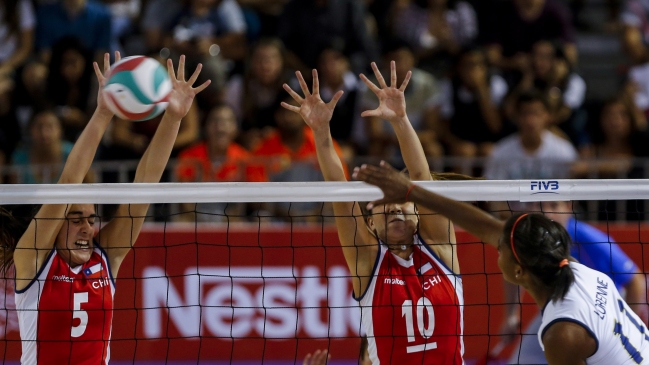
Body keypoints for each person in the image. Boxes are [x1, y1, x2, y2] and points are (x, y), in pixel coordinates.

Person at [0, 52, 209, 365]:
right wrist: (103, 113)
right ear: (55, 225)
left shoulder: (106, 258)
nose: (87, 227)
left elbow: (145, 185)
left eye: (91, 218)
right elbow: (69, 180)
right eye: (76, 218)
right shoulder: (33, 258)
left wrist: (173, 118)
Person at [353, 161, 649, 365]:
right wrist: (410, 191)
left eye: (501, 251)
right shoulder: (573, 268)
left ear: (519, 272)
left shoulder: (562, 333)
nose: (496, 250)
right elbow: (488, 228)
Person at [282, 62, 463, 364]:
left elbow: (420, 175)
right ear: (371, 225)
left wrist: (401, 120)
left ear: (417, 212)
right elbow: (340, 193)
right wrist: (322, 132)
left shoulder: (441, 249)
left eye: (401, 199)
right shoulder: (368, 263)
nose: (393, 206)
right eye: (381, 204)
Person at [502, 200, 648, 364]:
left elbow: (636, 280)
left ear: (568, 208)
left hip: (598, 307)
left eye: (554, 206)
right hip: (561, 305)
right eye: (539, 206)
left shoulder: (589, 238)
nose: (547, 214)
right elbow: (515, 263)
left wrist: (624, 328)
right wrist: (511, 314)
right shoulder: (528, 239)